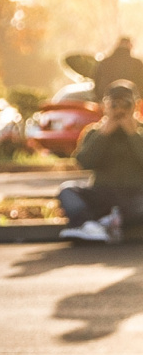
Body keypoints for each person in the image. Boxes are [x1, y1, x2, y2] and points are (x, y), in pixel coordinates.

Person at [58, 80, 143, 244]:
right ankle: (90, 225)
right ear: (105, 106)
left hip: (135, 193)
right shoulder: (94, 132)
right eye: (114, 104)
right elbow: (84, 162)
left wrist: (134, 135)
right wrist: (103, 134)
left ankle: (109, 222)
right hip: (102, 193)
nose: (120, 109)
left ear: (136, 105)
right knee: (67, 190)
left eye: (125, 104)